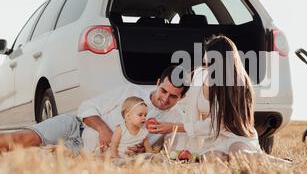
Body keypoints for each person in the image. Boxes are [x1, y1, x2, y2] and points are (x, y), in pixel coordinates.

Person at [0, 66, 189, 154]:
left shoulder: (177, 120)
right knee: (20, 140)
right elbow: (87, 107)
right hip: (75, 126)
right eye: (163, 90)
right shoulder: (131, 91)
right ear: (157, 83)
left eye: (173, 96)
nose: (164, 99)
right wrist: (103, 130)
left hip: (85, 150)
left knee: (32, 158)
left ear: (182, 98)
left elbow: (170, 153)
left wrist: (141, 150)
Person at [148, 35, 263, 162]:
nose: (206, 68)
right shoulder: (200, 75)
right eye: (205, 63)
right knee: (212, 160)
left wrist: (174, 127)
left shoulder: (238, 84)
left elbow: (216, 125)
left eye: (211, 64)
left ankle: (284, 163)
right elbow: (187, 106)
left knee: (240, 156)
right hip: (213, 140)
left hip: (236, 136)